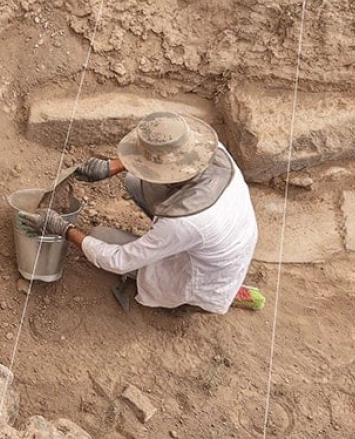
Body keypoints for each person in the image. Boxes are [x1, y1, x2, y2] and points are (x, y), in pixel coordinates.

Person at [19, 111, 260, 314]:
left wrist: (64, 229)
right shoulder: (208, 150)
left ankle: (200, 301)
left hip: (201, 274)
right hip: (223, 244)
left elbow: (118, 260)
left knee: (102, 236)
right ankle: (223, 287)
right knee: (135, 180)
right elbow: (160, 158)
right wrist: (111, 167)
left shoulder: (185, 221)